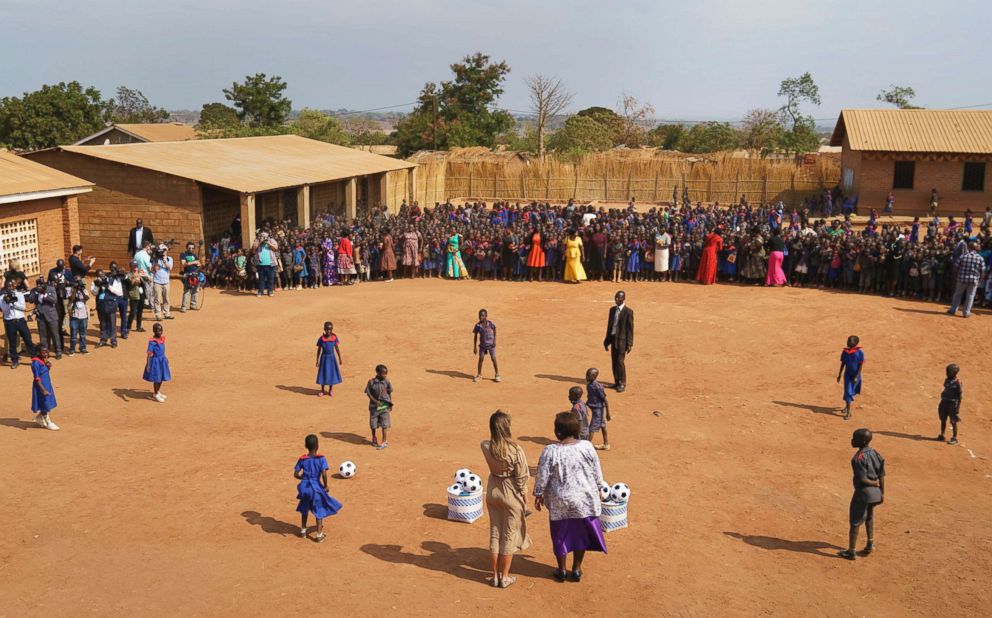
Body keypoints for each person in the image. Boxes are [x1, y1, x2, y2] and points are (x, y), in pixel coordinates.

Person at [533, 412, 608, 582]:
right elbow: (597, 472)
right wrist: (601, 488)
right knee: (580, 535)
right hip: (585, 501)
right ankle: (576, 568)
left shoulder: (550, 451)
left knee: (560, 535)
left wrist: (538, 494)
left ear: (557, 432)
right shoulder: (587, 446)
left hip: (561, 503)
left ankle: (561, 570)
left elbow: (542, 475)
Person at [480, 411, 532, 588]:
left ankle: (494, 576)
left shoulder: (485, 446)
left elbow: (488, 443)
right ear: (506, 428)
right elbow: (522, 477)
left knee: (495, 532)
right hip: (510, 492)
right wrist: (525, 499)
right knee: (508, 536)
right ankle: (505, 577)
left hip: (493, 490)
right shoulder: (516, 450)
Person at [839, 428, 885, 560]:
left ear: (862, 441)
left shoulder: (858, 458)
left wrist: (873, 483)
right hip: (875, 494)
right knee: (869, 516)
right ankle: (870, 543)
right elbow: (881, 475)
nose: (852, 440)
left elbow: (862, 479)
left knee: (855, 521)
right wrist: (882, 492)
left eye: (855, 438)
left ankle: (851, 551)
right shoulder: (876, 454)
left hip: (863, 494)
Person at [294, 434, 342, 543]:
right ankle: (319, 535)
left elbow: (296, 474)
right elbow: (324, 473)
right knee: (319, 509)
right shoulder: (321, 459)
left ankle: (303, 530)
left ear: (306, 446)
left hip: (304, 488)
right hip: (315, 487)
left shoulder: (302, 459)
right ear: (317, 446)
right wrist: (325, 485)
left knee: (304, 507)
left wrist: (303, 478)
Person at [603, 291, 633, 392]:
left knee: (620, 362)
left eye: (619, 298)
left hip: (622, 342)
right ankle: (616, 381)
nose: (616, 299)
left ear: (623, 299)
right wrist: (606, 341)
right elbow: (610, 326)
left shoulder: (628, 312)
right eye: (616, 297)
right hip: (613, 339)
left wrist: (629, 344)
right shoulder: (612, 310)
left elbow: (630, 329)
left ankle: (622, 383)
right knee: (614, 362)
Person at [2, 278, 34, 369]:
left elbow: (23, 307)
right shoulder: (1, 298)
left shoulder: (19, 294)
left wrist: (14, 303)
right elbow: (5, 311)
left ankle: (34, 359)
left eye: (12, 286)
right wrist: (7, 302)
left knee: (28, 339)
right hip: (10, 322)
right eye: (9, 286)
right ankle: (15, 361)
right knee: (12, 342)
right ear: (6, 287)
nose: (11, 288)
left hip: (20, 320)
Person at [947, 241, 985, 318]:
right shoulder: (980, 258)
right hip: (973, 280)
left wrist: (958, 275)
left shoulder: (963, 256)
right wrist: (979, 280)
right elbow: (983, 271)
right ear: (976, 248)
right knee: (970, 296)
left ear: (968, 248)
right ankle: (966, 313)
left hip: (961, 279)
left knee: (957, 294)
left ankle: (953, 310)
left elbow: (955, 267)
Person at [28, 277, 62, 359]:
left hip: (51, 316)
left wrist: (45, 294)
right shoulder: (34, 290)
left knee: (55, 334)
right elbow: (30, 300)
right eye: (38, 284)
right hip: (40, 317)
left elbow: (54, 300)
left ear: (45, 283)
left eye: (41, 284)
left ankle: (58, 351)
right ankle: (45, 352)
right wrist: (35, 292)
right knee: (43, 336)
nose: (39, 285)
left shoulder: (51, 289)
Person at [91, 268, 123, 348]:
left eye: (102, 275)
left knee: (112, 323)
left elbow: (119, 292)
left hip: (111, 305)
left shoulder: (113, 280)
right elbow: (94, 293)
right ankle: (103, 339)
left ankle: (113, 340)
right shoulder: (95, 282)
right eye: (98, 276)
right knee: (102, 323)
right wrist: (98, 286)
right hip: (101, 305)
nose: (101, 277)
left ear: (104, 274)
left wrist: (108, 286)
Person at [364, 364, 393, 449]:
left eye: (386, 374)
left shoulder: (387, 381)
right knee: (373, 424)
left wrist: (390, 403)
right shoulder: (371, 382)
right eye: (383, 374)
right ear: (378, 373)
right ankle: (374, 437)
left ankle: (384, 441)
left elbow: (389, 392)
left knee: (385, 424)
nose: (385, 375)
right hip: (374, 407)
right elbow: (368, 393)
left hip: (384, 405)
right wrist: (375, 401)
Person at [30, 348, 59, 430]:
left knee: (45, 402)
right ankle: (48, 422)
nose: (46, 353)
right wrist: (43, 389)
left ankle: (40, 417)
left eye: (47, 351)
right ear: (38, 352)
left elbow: (45, 372)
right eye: (44, 352)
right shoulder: (35, 363)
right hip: (41, 386)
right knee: (45, 403)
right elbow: (37, 378)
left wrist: (48, 366)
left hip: (47, 384)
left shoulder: (44, 361)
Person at [142, 323, 172, 403]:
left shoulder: (162, 339)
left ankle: (158, 391)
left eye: (161, 330)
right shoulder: (152, 342)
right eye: (159, 330)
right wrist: (148, 364)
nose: (161, 332)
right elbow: (149, 354)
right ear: (154, 331)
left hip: (162, 360)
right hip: (155, 362)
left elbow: (162, 351)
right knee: (157, 378)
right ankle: (155, 394)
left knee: (161, 377)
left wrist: (166, 359)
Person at [837, 335, 864, 421]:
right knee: (847, 392)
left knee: (850, 392)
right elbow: (843, 363)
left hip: (855, 375)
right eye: (848, 340)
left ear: (856, 343)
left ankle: (847, 409)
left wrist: (857, 376)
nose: (848, 342)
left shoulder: (860, 353)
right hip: (847, 375)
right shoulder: (845, 352)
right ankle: (848, 410)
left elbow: (860, 366)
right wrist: (839, 374)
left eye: (851, 341)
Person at [315, 321, 343, 398]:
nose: (328, 331)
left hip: (332, 358)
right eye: (327, 329)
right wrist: (317, 360)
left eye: (330, 329)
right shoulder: (321, 339)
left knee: (331, 373)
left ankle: (330, 389)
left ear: (332, 329)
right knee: (323, 373)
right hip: (324, 358)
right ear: (324, 329)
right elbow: (319, 350)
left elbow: (337, 348)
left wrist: (340, 358)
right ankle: (322, 390)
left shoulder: (334, 338)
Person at [937, 363, 962, 445]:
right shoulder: (947, 379)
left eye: (949, 372)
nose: (947, 373)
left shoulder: (958, 382)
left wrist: (957, 408)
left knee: (953, 421)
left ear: (954, 373)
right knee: (943, 419)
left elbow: (960, 396)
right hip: (944, 402)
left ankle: (954, 438)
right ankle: (942, 435)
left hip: (952, 404)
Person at [585, 368, 611, 451]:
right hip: (594, 408)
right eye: (586, 375)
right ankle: (606, 444)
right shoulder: (589, 385)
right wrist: (586, 404)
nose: (586, 377)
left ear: (594, 376)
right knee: (603, 425)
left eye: (588, 375)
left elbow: (605, 400)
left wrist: (608, 413)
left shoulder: (597, 387)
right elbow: (590, 396)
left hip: (598, 410)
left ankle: (585, 447)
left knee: (592, 428)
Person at [472, 308, 500, 383]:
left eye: (482, 316)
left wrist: (494, 341)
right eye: (479, 316)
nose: (480, 317)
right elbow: (475, 336)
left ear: (486, 316)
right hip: (482, 346)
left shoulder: (490, 323)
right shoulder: (478, 325)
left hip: (491, 345)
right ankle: (479, 374)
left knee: (493, 358)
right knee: (481, 359)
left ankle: (497, 374)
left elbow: (494, 329)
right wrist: (474, 347)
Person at [66, 280, 90, 355]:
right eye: (76, 282)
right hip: (74, 316)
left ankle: (83, 348)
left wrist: (81, 290)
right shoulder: (70, 290)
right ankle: (72, 349)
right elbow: (71, 299)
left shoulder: (84, 290)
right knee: (73, 334)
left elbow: (86, 298)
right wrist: (75, 290)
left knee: (83, 334)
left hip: (83, 316)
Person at [126, 261, 150, 333]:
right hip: (134, 295)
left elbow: (149, 280)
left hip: (141, 294)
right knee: (133, 312)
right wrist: (136, 276)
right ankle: (128, 327)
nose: (136, 267)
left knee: (140, 311)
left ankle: (138, 327)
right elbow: (131, 282)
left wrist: (145, 275)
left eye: (136, 266)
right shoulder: (129, 274)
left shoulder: (140, 273)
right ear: (131, 267)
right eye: (134, 266)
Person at [151, 245, 174, 320]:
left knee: (166, 298)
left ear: (167, 251)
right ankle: (158, 315)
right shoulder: (155, 259)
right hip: (157, 281)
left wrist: (164, 260)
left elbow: (169, 268)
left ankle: (167, 313)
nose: (163, 253)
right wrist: (157, 260)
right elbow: (154, 270)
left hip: (166, 282)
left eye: (164, 251)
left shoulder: (169, 258)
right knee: (157, 299)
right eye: (161, 251)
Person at [179, 242, 201, 312]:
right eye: (189, 248)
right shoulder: (183, 254)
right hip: (187, 274)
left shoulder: (195, 255)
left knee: (195, 290)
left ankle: (193, 305)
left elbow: (199, 264)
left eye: (192, 248)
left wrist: (195, 263)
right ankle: (184, 307)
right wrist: (194, 262)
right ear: (186, 248)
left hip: (195, 274)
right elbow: (184, 264)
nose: (191, 249)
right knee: (187, 291)